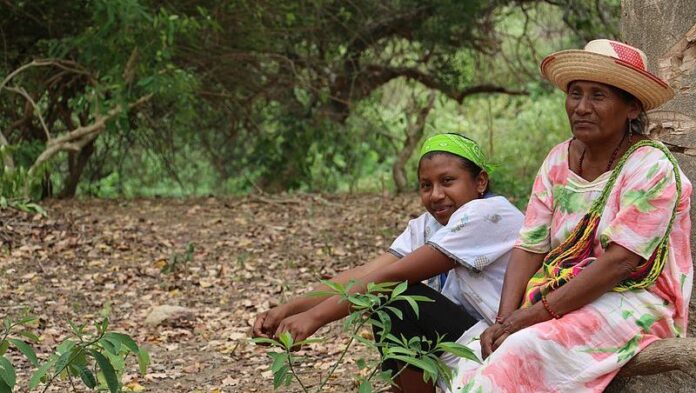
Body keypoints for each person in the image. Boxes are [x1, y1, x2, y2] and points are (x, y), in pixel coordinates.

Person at [448, 39, 693, 392]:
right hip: (560, 292)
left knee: (522, 350)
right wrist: (503, 319)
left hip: (635, 301)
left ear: (632, 108)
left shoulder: (651, 167)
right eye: (575, 93)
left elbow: (619, 264)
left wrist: (528, 318)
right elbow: (530, 246)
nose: (581, 107)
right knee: (477, 355)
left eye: (598, 96)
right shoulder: (558, 160)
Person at [252, 133, 524, 392]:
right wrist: (288, 310)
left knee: (399, 297)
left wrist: (315, 317)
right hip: (468, 340)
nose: (436, 194)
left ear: (480, 182)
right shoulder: (428, 225)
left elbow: (393, 277)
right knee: (387, 302)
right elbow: (367, 272)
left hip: (501, 341)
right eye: (426, 185)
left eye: (448, 181)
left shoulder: (488, 213)